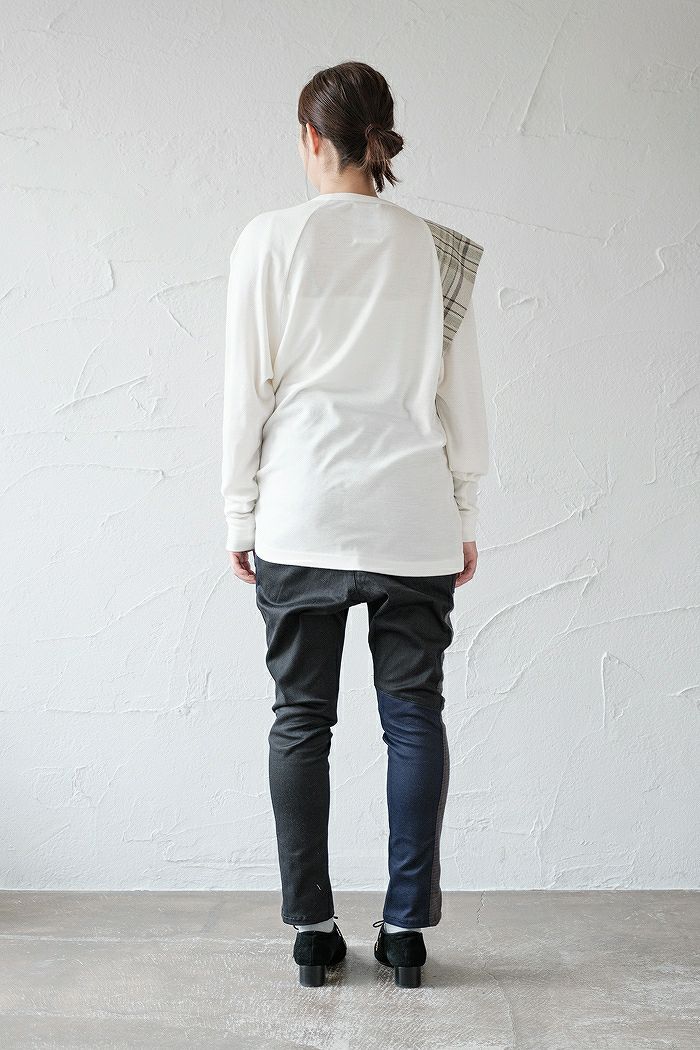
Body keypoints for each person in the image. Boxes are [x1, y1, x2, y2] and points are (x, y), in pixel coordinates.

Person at [221, 61, 489, 987]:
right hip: (412, 514)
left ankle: (313, 930)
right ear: (379, 139)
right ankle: (406, 933)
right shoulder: (434, 247)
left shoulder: (267, 239)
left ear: (311, 138)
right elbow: (460, 393)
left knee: (301, 719)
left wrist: (238, 510)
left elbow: (246, 388)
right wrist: (465, 507)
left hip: (301, 514)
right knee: (414, 717)